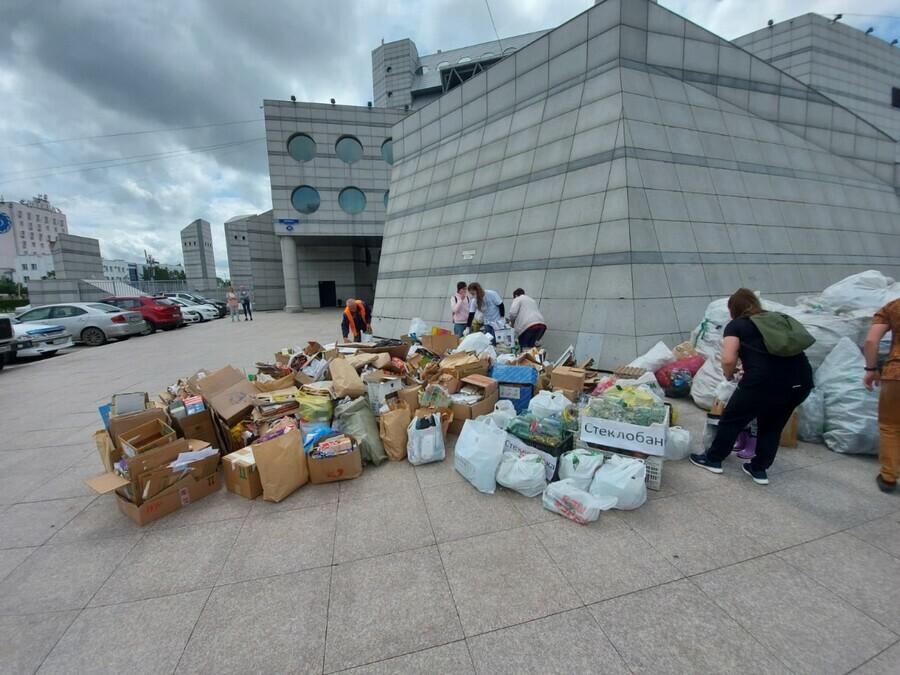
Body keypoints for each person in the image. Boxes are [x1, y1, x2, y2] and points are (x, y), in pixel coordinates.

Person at [690, 288, 813, 485]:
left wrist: (729, 376)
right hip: (800, 382)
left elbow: (728, 359)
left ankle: (713, 459)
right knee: (772, 425)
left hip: (763, 381)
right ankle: (759, 469)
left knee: (732, 419)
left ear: (733, 309)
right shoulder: (776, 320)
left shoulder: (737, 325)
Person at [863, 297, 900, 493]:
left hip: (896, 373)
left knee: (891, 426)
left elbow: (871, 339)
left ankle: (888, 477)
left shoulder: (894, 306)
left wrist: (871, 368)